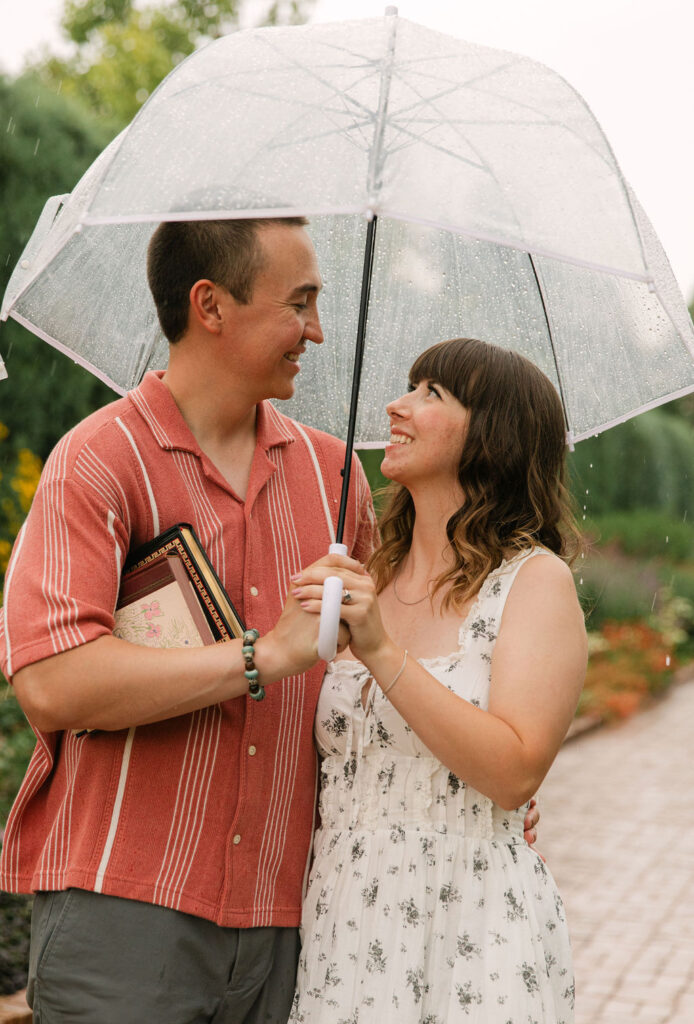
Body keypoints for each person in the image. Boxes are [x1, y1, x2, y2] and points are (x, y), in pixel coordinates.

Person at [0, 216, 380, 1024]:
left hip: (291, 924)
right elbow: (51, 683)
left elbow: (375, 672)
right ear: (210, 305)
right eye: (299, 303)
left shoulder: (338, 478)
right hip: (123, 921)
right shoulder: (99, 460)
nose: (316, 330)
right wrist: (262, 654)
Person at [287, 337, 587, 1023]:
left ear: (493, 435)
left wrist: (383, 654)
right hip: (342, 924)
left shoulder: (533, 583)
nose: (397, 406)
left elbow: (514, 774)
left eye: (431, 393)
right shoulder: (369, 577)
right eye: (408, 386)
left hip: (469, 930)